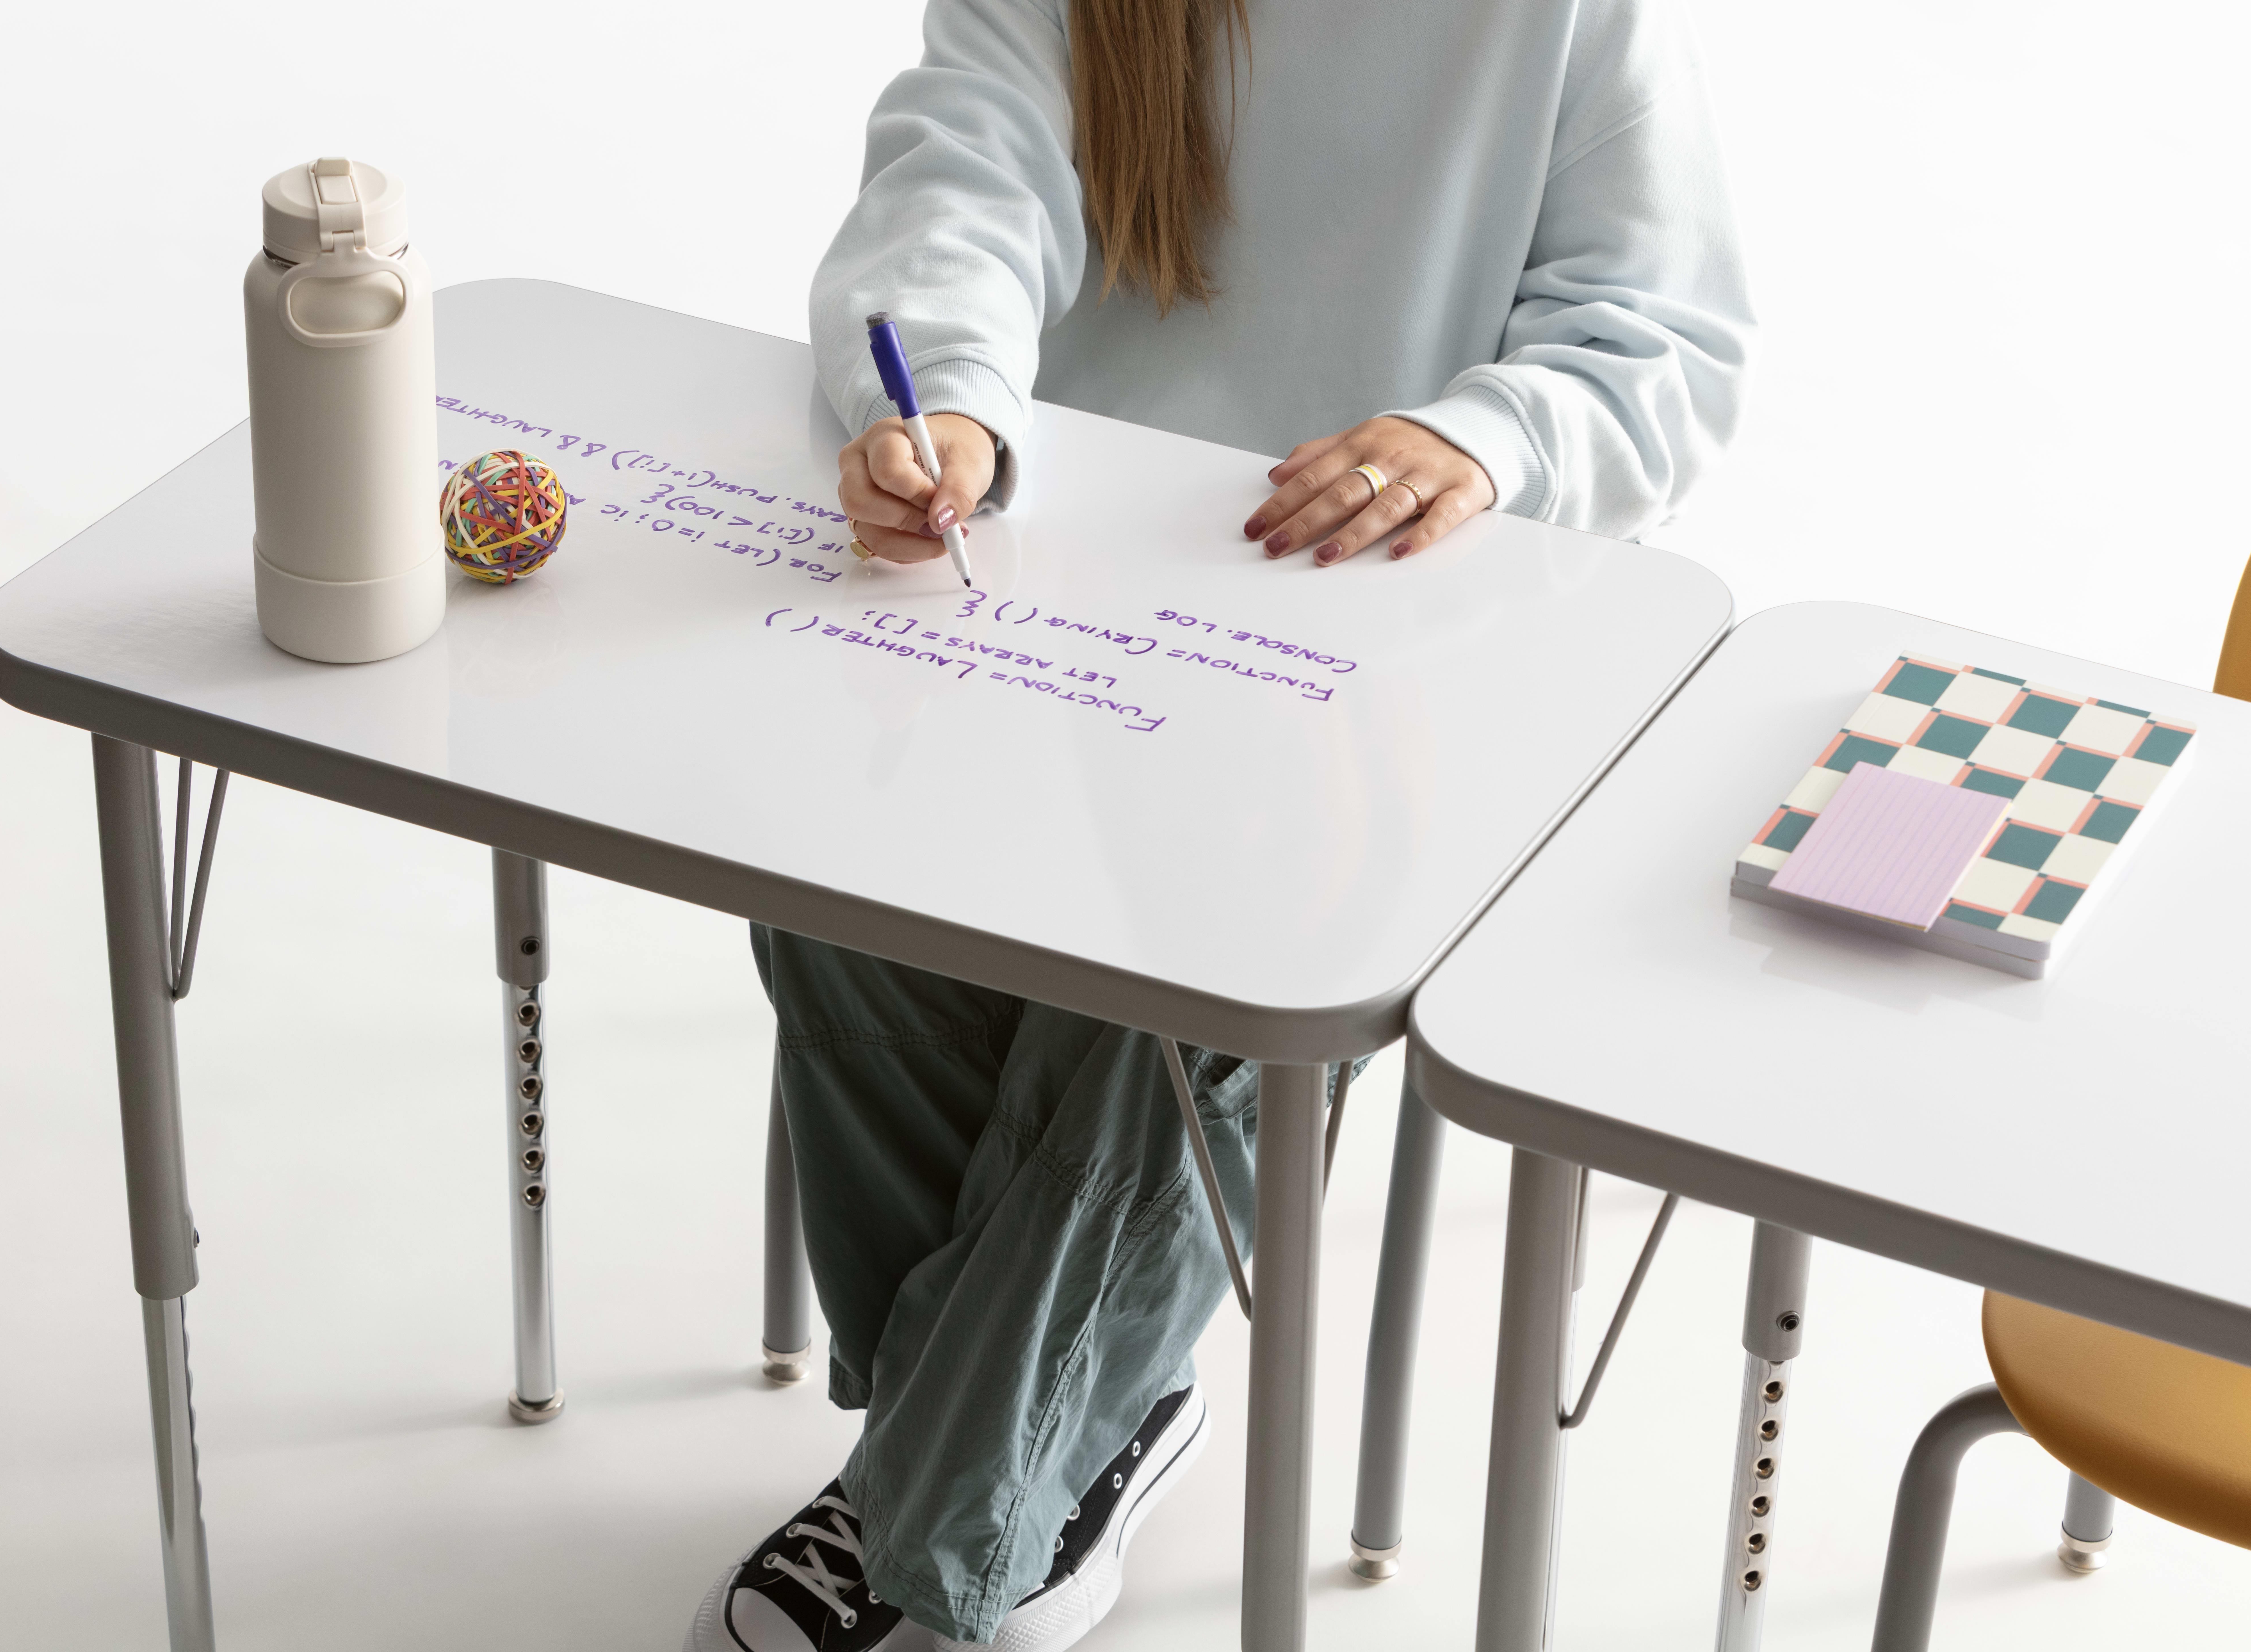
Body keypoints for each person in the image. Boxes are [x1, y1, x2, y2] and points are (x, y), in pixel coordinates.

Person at [686, 1, 1750, 1648]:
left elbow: (1658, 346)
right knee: (837, 895)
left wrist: (1477, 440)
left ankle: (947, 1524)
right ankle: (1021, 1448)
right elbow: (957, 187)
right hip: (1056, 590)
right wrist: (951, 406)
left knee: (1179, 992)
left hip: (1380, 653)